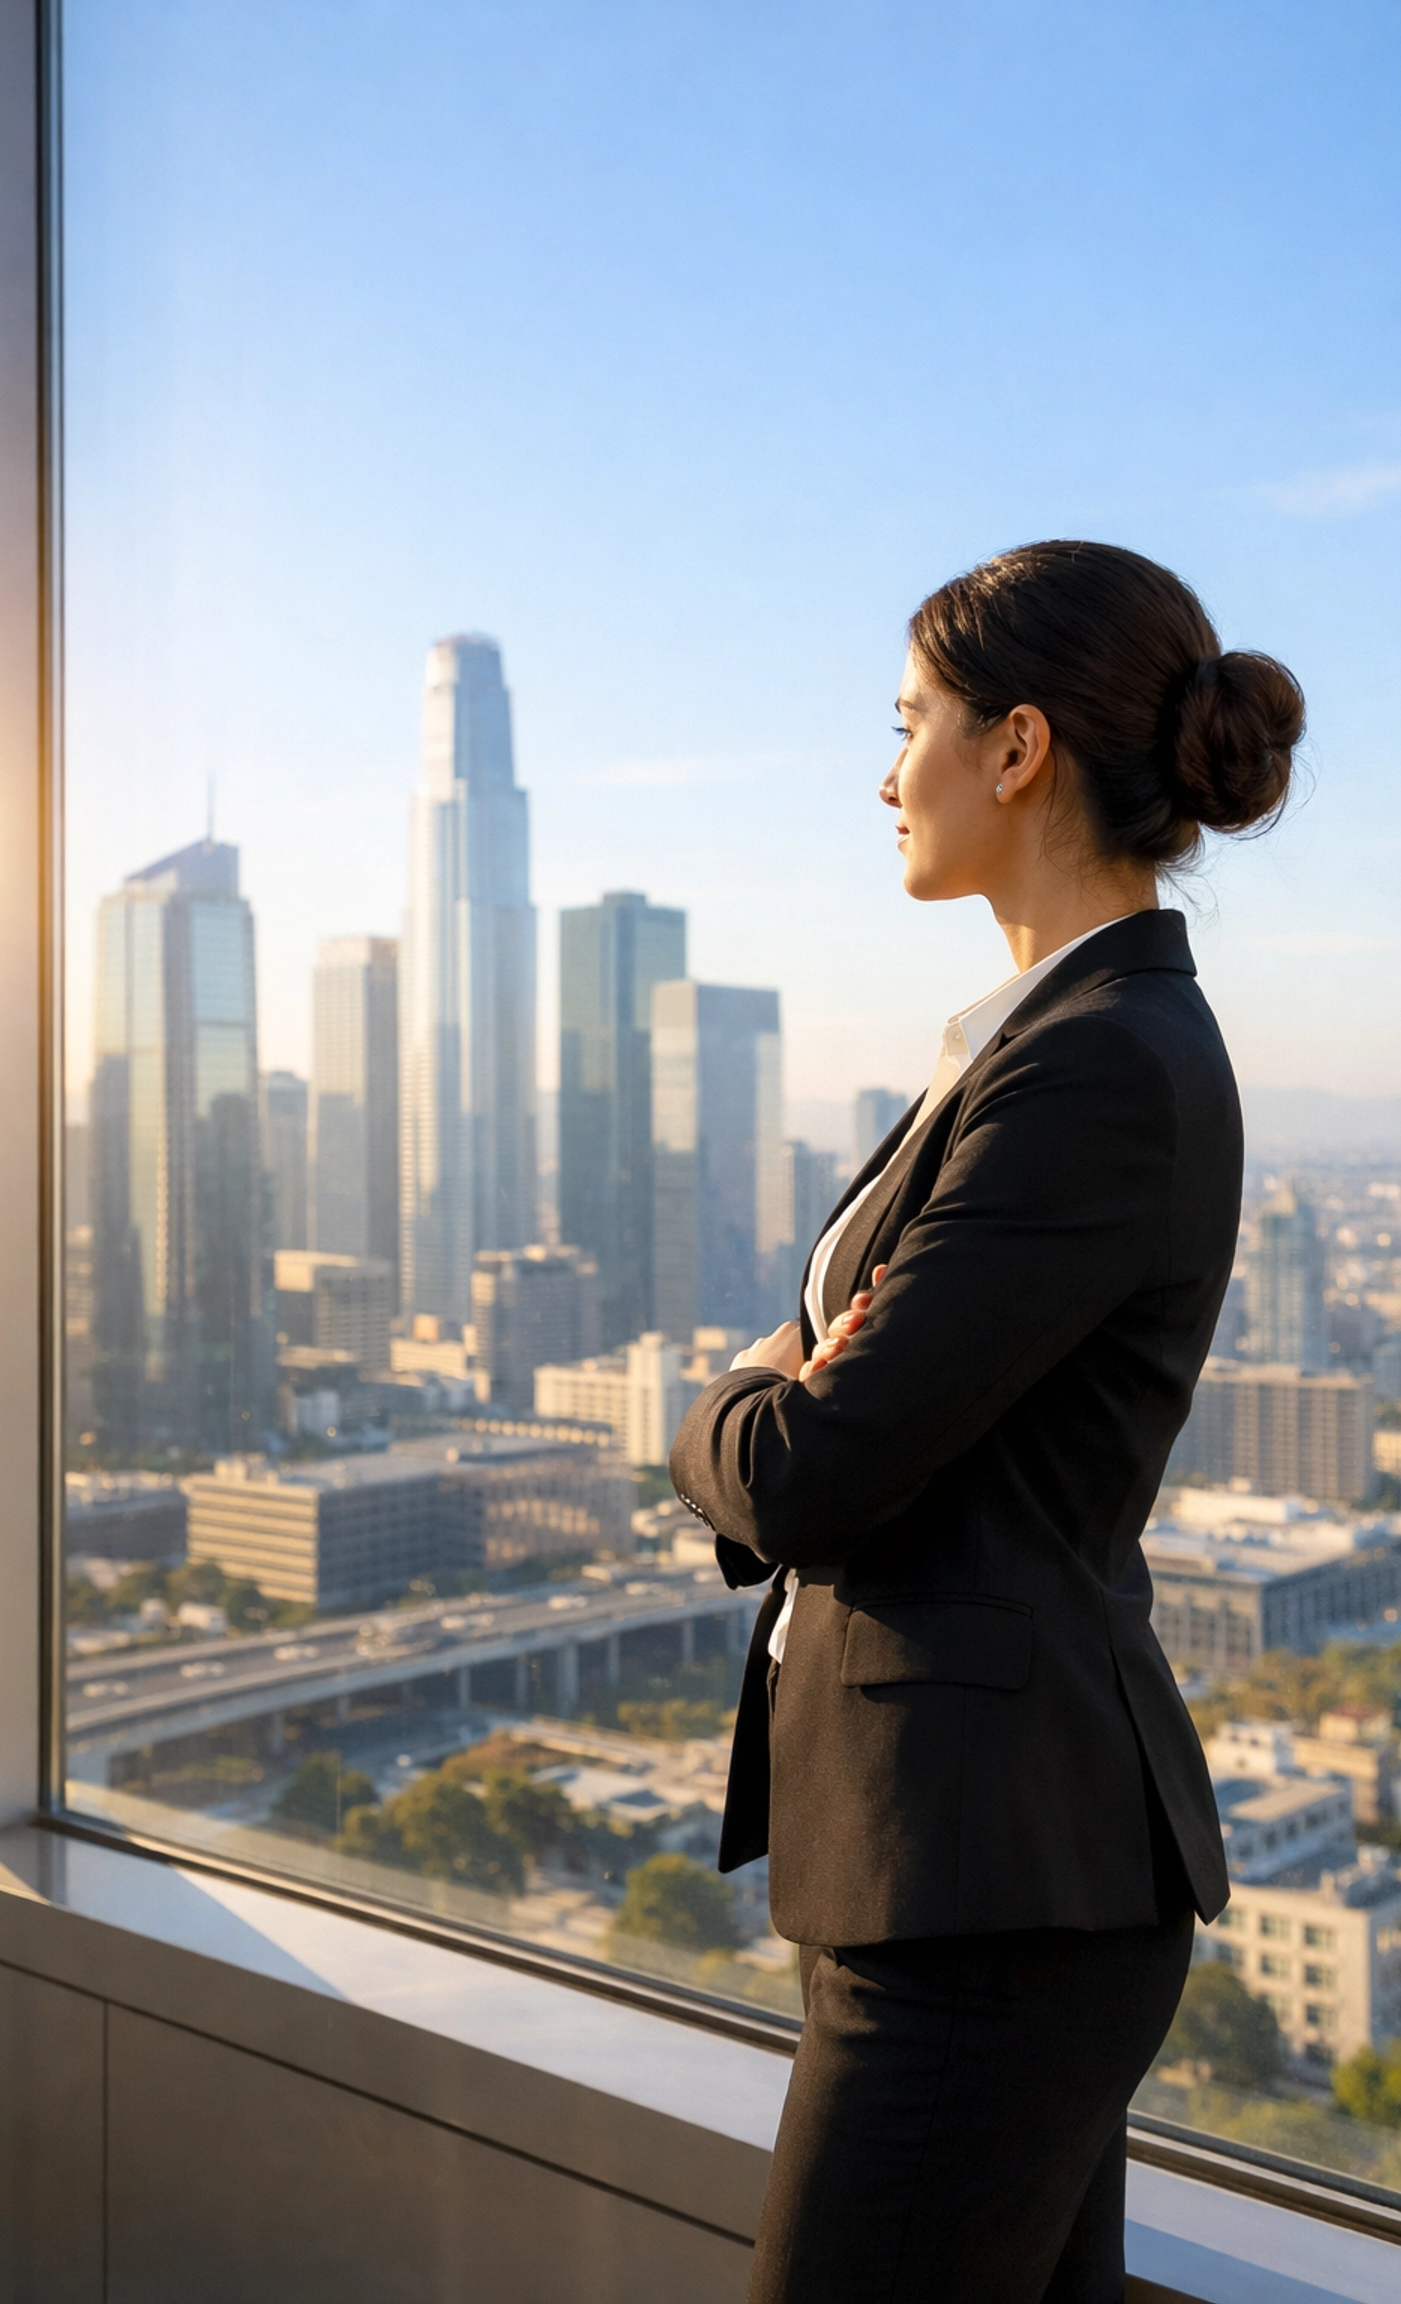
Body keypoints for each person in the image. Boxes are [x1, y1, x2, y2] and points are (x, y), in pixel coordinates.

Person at [668, 540, 1303, 2304]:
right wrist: (798, 1379)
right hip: (969, 1876)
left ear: (1016, 748)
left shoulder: (1097, 1062)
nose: (885, 776)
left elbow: (811, 1462)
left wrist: (714, 1403)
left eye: (909, 727)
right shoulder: (1031, 1040)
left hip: (995, 1896)